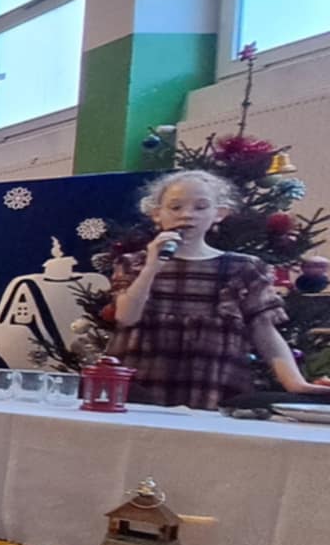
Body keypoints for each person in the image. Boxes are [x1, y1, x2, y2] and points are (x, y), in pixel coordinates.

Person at [109, 170, 316, 408]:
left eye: (201, 207)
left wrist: (295, 382)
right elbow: (126, 316)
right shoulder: (133, 263)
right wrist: (151, 267)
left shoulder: (244, 267)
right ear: (157, 213)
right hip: (144, 378)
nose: (187, 214)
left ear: (219, 213)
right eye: (175, 207)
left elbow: (264, 332)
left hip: (213, 380)